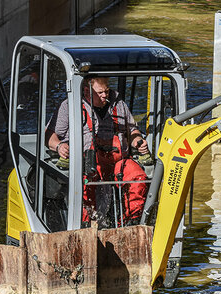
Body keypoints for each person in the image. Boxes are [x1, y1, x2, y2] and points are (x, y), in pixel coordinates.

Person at [45, 76, 150, 225]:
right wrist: (59, 146)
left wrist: (137, 141)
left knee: (138, 177)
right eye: (100, 93)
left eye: (106, 91)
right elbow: (49, 135)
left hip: (119, 161)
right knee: (86, 184)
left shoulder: (119, 104)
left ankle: (131, 223)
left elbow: (132, 130)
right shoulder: (70, 105)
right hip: (88, 161)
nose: (105, 96)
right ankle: (86, 225)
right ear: (87, 91)